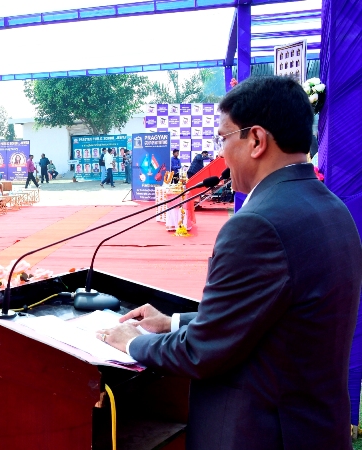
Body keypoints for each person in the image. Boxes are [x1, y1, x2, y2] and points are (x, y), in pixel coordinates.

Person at [99, 76, 362, 450]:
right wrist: (172, 322)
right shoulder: (333, 208)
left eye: (223, 138)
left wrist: (134, 343)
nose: (220, 154)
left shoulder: (257, 224)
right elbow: (274, 317)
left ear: (256, 140)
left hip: (264, 434)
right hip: (314, 429)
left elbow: (201, 352)